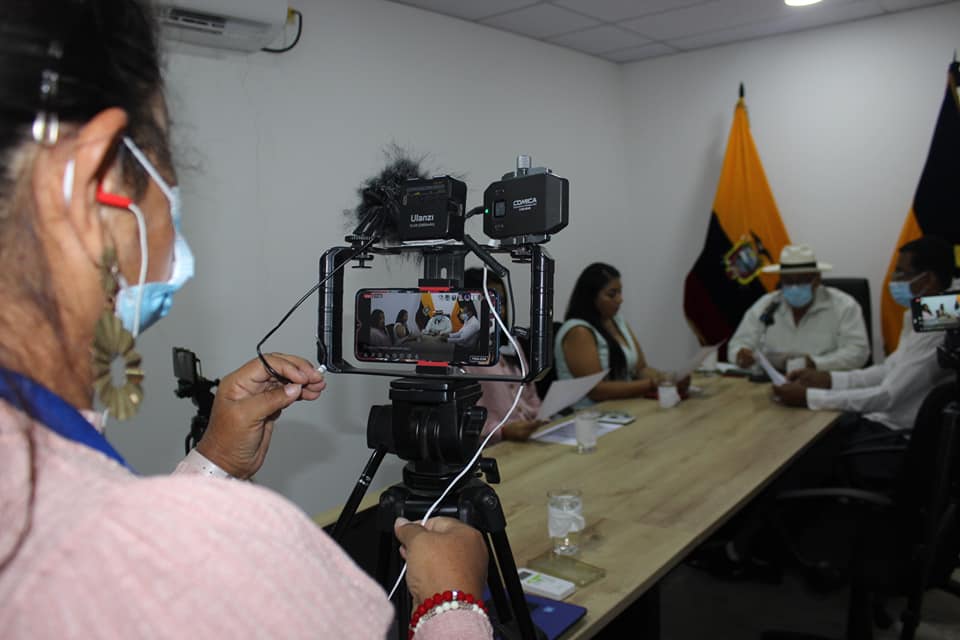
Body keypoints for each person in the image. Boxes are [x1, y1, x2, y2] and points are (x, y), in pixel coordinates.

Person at [0, 2, 492, 638]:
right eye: (168, 178)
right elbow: (144, 559)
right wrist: (452, 603)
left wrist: (213, 463)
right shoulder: (220, 553)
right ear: (92, 181)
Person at [774, 236, 956, 437]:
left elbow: (888, 395)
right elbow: (889, 370)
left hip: (895, 434)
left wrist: (810, 397)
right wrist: (829, 380)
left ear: (928, 279)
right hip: (881, 422)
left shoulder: (943, 319)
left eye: (901, 272)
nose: (894, 279)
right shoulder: (937, 309)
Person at [555, 263, 688, 407]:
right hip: (590, 413)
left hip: (624, 405)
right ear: (591, 297)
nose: (620, 300)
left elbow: (641, 369)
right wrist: (653, 384)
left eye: (620, 292)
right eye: (612, 294)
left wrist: (668, 380)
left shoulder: (617, 320)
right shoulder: (579, 331)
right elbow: (596, 390)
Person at [728, 244, 870, 372]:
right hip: (771, 381)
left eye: (802, 280)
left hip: (824, 381)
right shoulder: (767, 305)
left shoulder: (843, 306)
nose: (794, 287)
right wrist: (740, 355)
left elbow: (858, 352)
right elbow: (736, 345)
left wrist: (816, 364)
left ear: (817, 279)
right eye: (788, 281)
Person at [463, 268, 546, 442]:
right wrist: (503, 431)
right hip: (492, 444)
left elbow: (530, 393)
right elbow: (461, 417)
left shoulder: (510, 342)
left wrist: (542, 417)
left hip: (529, 434)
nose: (499, 311)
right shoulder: (458, 353)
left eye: (502, 302)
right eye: (490, 303)